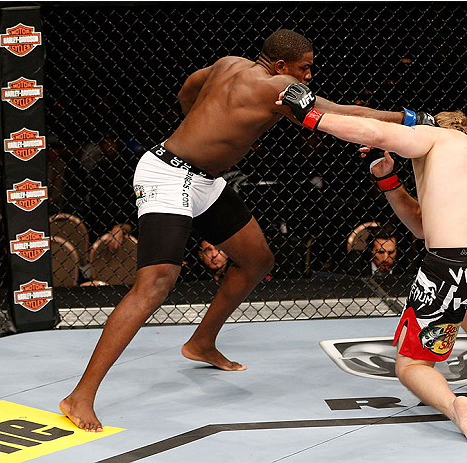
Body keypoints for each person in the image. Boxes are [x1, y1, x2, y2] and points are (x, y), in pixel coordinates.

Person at [60, 29, 415, 432]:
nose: (309, 76)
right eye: (305, 68)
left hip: (204, 180)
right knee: (156, 283)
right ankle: (80, 396)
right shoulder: (279, 87)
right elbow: (346, 114)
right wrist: (414, 120)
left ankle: (201, 343)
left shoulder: (229, 64)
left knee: (256, 260)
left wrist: (203, 125)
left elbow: (189, 89)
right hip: (168, 176)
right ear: (281, 66)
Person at [280, 86, 467, 444]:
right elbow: (422, 228)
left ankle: (456, 409)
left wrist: (311, 117)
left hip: (451, 269)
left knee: (411, 367)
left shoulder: (437, 138)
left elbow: (375, 131)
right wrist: (388, 180)